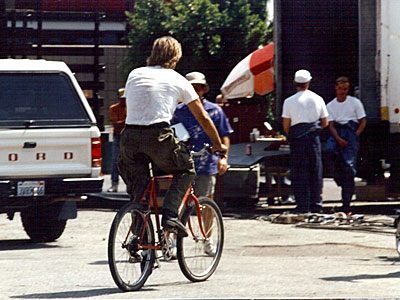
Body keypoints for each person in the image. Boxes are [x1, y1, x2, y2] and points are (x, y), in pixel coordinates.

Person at [117, 36, 227, 237]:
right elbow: (202, 116)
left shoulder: (135, 74)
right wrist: (219, 145)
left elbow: (138, 103)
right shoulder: (177, 78)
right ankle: (170, 216)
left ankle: (138, 228)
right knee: (186, 170)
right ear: (175, 57)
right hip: (157, 135)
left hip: (130, 135)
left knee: (139, 184)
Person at [171, 71, 233, 255]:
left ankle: (207, 239)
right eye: (192, 88)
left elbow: (224, 137)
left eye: (199, 87)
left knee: (206, 203)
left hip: (207, 163)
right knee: (180, 202)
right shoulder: (178, 112)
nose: (196, 91)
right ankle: (175, 240)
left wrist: (223, 157)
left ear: (204, 89)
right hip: (184, 162)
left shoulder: (215, 110)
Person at [281, 69, 329, 213]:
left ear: (295, 83)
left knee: (299, 172)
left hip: (297, 141)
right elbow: (325, 122)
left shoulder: (288, 102)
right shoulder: (318, 99)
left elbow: (286, 126)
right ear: (308, 83)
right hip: (313, 140)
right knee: (315, 171)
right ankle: (316, 205)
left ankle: (302, 205)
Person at [326, 76, 366, 213]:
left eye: (346, 89)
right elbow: (330, 125)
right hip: (337, 132)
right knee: (329, 153)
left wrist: (355, 135)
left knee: (348, 167)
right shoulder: (330, 105)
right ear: (335, 87)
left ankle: (346, 202)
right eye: (341, 88)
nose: (343, 91)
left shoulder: (355, 102)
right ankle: (340, 180)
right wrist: (338, 139)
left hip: (350, 131)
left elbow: (363, 120)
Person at [107, 88, 126, 193]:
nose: (124, 101)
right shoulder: (114, 108)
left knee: (130, 161)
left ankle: (130, 185)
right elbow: (115, 123)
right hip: (118, 136)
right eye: (122, 98)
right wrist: (126, 121)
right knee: (115, 160)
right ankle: (114, 184)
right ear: (118, 98)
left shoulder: (131, 108)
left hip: (128, 137)